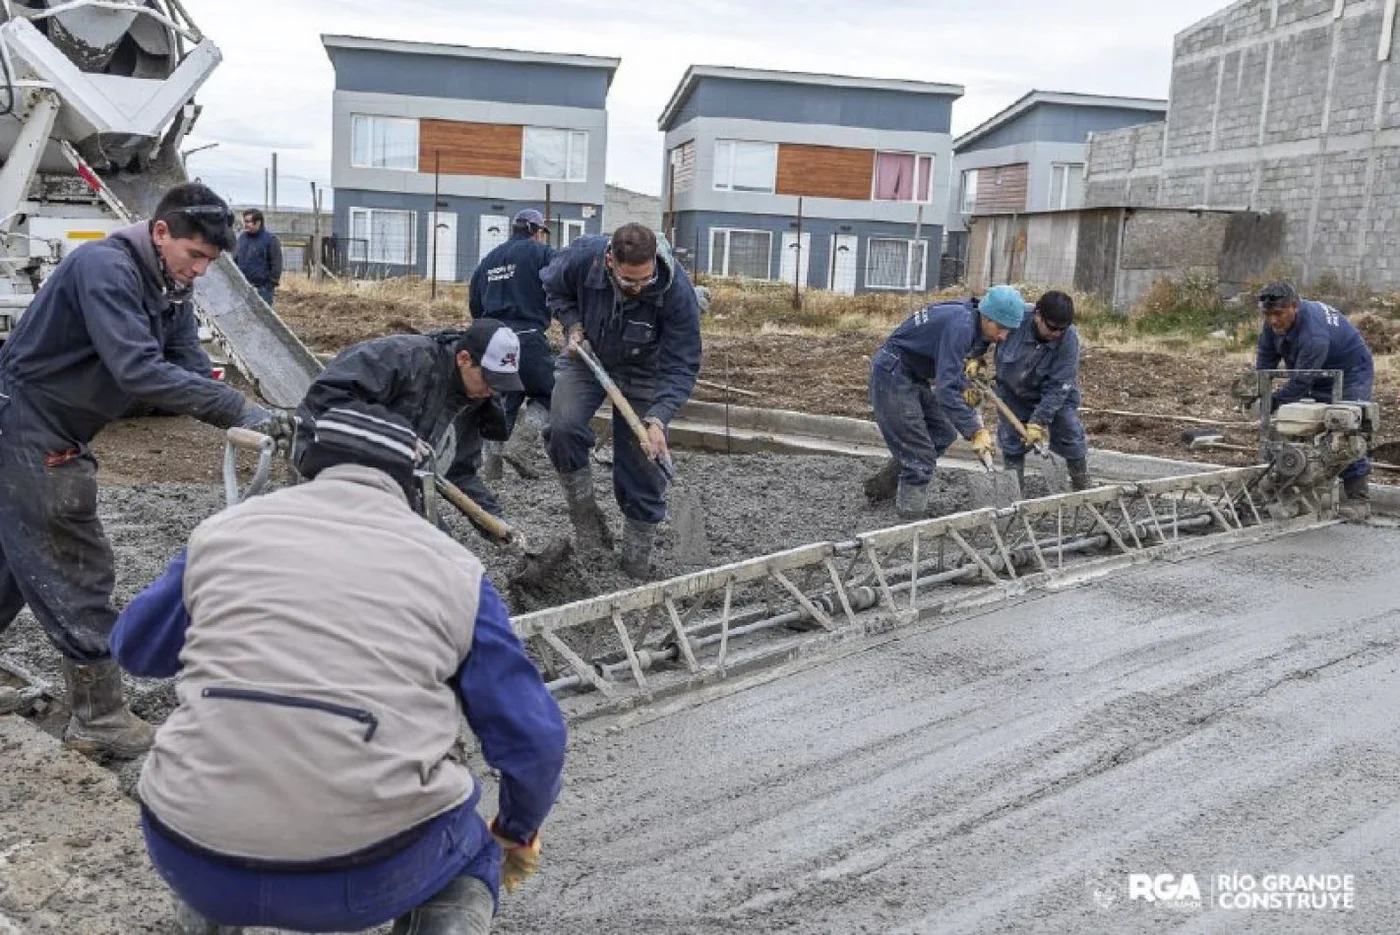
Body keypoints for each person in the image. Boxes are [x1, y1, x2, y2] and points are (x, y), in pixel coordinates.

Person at [110, 402, 566, 935]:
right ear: (411, 486)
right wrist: (516, 828)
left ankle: (210, 917)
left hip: (187, 849)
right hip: (365, 877)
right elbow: (535, 742)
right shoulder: (455, 572)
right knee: (473, 855)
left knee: (216, 822)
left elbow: (135, 650)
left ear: (308, 462)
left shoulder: (221, 534)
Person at [0, 183, 277, 753]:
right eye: (194, 255)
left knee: (12, 564)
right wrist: (238, 407)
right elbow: (138, 369)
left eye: (210, 262)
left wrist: (262, 421)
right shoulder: (105, 268)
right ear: (160, 232)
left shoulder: (168, 286)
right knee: (74, 562)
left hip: (47, 426)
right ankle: (99, 719)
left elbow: (188, 369)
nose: (200, 270)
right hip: (30, 425)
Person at [541, 223, 701, 578]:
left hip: (647, 369)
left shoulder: (676, 291)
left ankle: (635, 563)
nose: (639, 288)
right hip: (589, 356)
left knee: (643, 460)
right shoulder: (583, 258)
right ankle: (588, 525)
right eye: (630, 282)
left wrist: (658, 419)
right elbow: (554, 289)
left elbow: (682, 363)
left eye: (646, 280)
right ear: (610, 261)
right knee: (562, 428)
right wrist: (573, 325)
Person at [293, 320, 524, 531]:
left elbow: (460, 470)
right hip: (333, 449)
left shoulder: (475, 397)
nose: (493, 390)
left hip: (394, 472)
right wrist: (391, 435)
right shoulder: (404, 357)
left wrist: (493, 519)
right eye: (489, 379)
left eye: (500, 383)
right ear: (463, 359)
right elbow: (325, 397)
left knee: (439, 546)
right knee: (401, 539)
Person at [868, 284, 1024, 519]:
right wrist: (975, 431)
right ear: (987, 316)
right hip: (893, 373)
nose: (1003, 336)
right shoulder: (960, 326)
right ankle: (910, 518)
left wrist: (963, 386)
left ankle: (883, 486)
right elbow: (944, 391)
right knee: (920, 456)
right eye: (1001, 328)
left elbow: (947, 370)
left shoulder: (969, 317)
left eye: (1009, 331)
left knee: (943, 432)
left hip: (912, 372)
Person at [1255, 280, 1374, 506]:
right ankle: (1295, 485)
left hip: (1351, 370)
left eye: (1278, 314)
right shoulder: (1273, 324)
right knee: (1297, 424)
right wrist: (1260, 391)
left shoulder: (1313, 336)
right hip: (1316, 369)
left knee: (1345, 428)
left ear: (1294, 307)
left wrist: (1274, 402)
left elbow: (1300, 381)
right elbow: (1265, 360)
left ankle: (1359, 499)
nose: (1272, 320)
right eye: (1267, 314)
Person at [967, 289, 1092, 491]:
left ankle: (1082, 485)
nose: (1056, 334)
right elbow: (987, 330)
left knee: (1069, 432)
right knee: (1011, 443)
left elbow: (1058, 387)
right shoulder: (1015, 317)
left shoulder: (1068, 340)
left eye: (1062, 329)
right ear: (1037, 315)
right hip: (1011, 391)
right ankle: (1014, 491)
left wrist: (1038, 422)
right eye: (1051, 327)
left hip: (1053, 395)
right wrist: (975, 355)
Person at [468, 209, 556, 480]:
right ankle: (522, 445)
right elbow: (563, 283)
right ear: (537, 231)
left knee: (505, 396)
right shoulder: (542, 254)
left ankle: (491, 466)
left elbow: (475, 305)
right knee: (550, 394)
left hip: (494, 337)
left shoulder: (489, 260)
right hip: (527, 335)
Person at [233, 208, 282, 307]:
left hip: (262, 290)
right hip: (242, 287)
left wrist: (269, 285)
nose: (245, 224)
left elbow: (276, 265)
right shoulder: (242, 238)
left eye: (248, 222)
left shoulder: (270, 240)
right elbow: (236, 259)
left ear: (258, 222)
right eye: (244, 221)